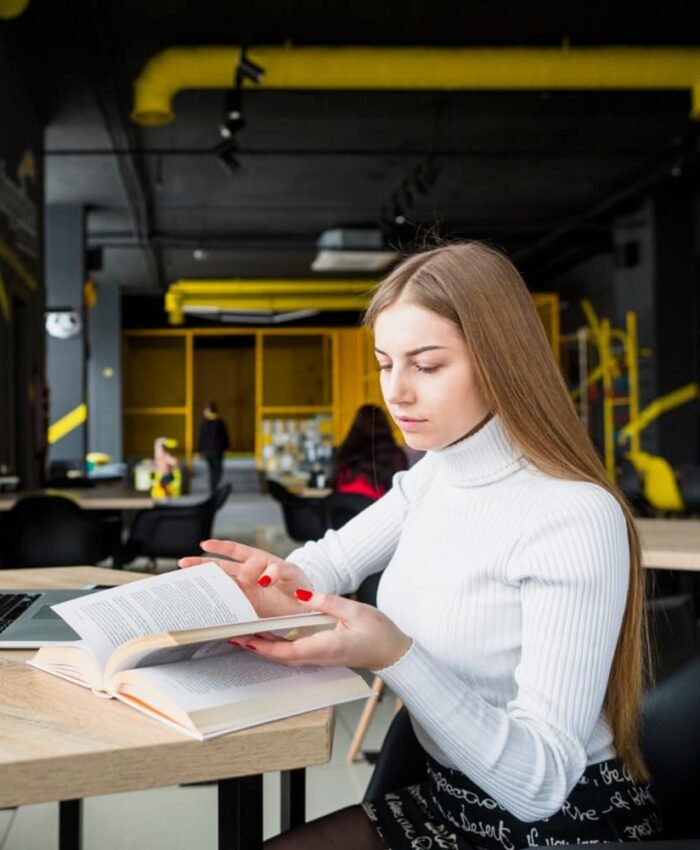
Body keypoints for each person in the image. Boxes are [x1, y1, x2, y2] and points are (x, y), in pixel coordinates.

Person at [180, 242, 660, 849]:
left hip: (560, 826)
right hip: (447, 795)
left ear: (501, 362)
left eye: (427, 366)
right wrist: (280, 575)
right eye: (385, 363)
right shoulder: (436, 473)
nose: (396, 392)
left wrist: (395, 654)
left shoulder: (573, 514)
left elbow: (541, 785)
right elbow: (331, 560)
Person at [328, 403, 407, 500]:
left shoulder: (345, 451)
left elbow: (334, 483)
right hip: (379, 509)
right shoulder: (395, 455)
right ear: (385, 425)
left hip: (343, 510)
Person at [196, 401, 230, 493]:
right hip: (213, 451)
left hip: (215, 451)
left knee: (216, 471)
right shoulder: (211, 423)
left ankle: (213, 487)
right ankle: (213, 488)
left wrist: (226, 447)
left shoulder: (218, 423)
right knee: (215, 471)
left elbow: (224, 436)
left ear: (208, 411)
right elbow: (201, 438)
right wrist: (198, 451)